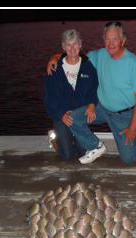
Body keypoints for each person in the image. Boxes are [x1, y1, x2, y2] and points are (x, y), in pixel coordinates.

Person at [47, 21, 136, 164]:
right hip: (102, 109)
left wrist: (133, 129)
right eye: (107, 39)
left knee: (127, 158)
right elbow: (75, 54)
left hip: (123, 115)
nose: (111, 43)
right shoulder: (100, 55)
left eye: (115, 39)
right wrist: (55, 57)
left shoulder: (134, 64)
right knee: (72, 118)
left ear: (124, 40)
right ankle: (96, 146)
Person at [43, 29, 99, 162]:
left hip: (80, 116)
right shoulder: (54, 68)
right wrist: (60, 115)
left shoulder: (89, 66)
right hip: (62, 116)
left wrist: (92, 104)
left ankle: (71, 141)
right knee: (66, 156)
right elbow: (48, 97)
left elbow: (95, 89)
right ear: (63, 47)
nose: (72, 48)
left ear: (80, 45)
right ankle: (54, 139)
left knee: (82, 152)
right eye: (68, 45)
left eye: (75, 44)